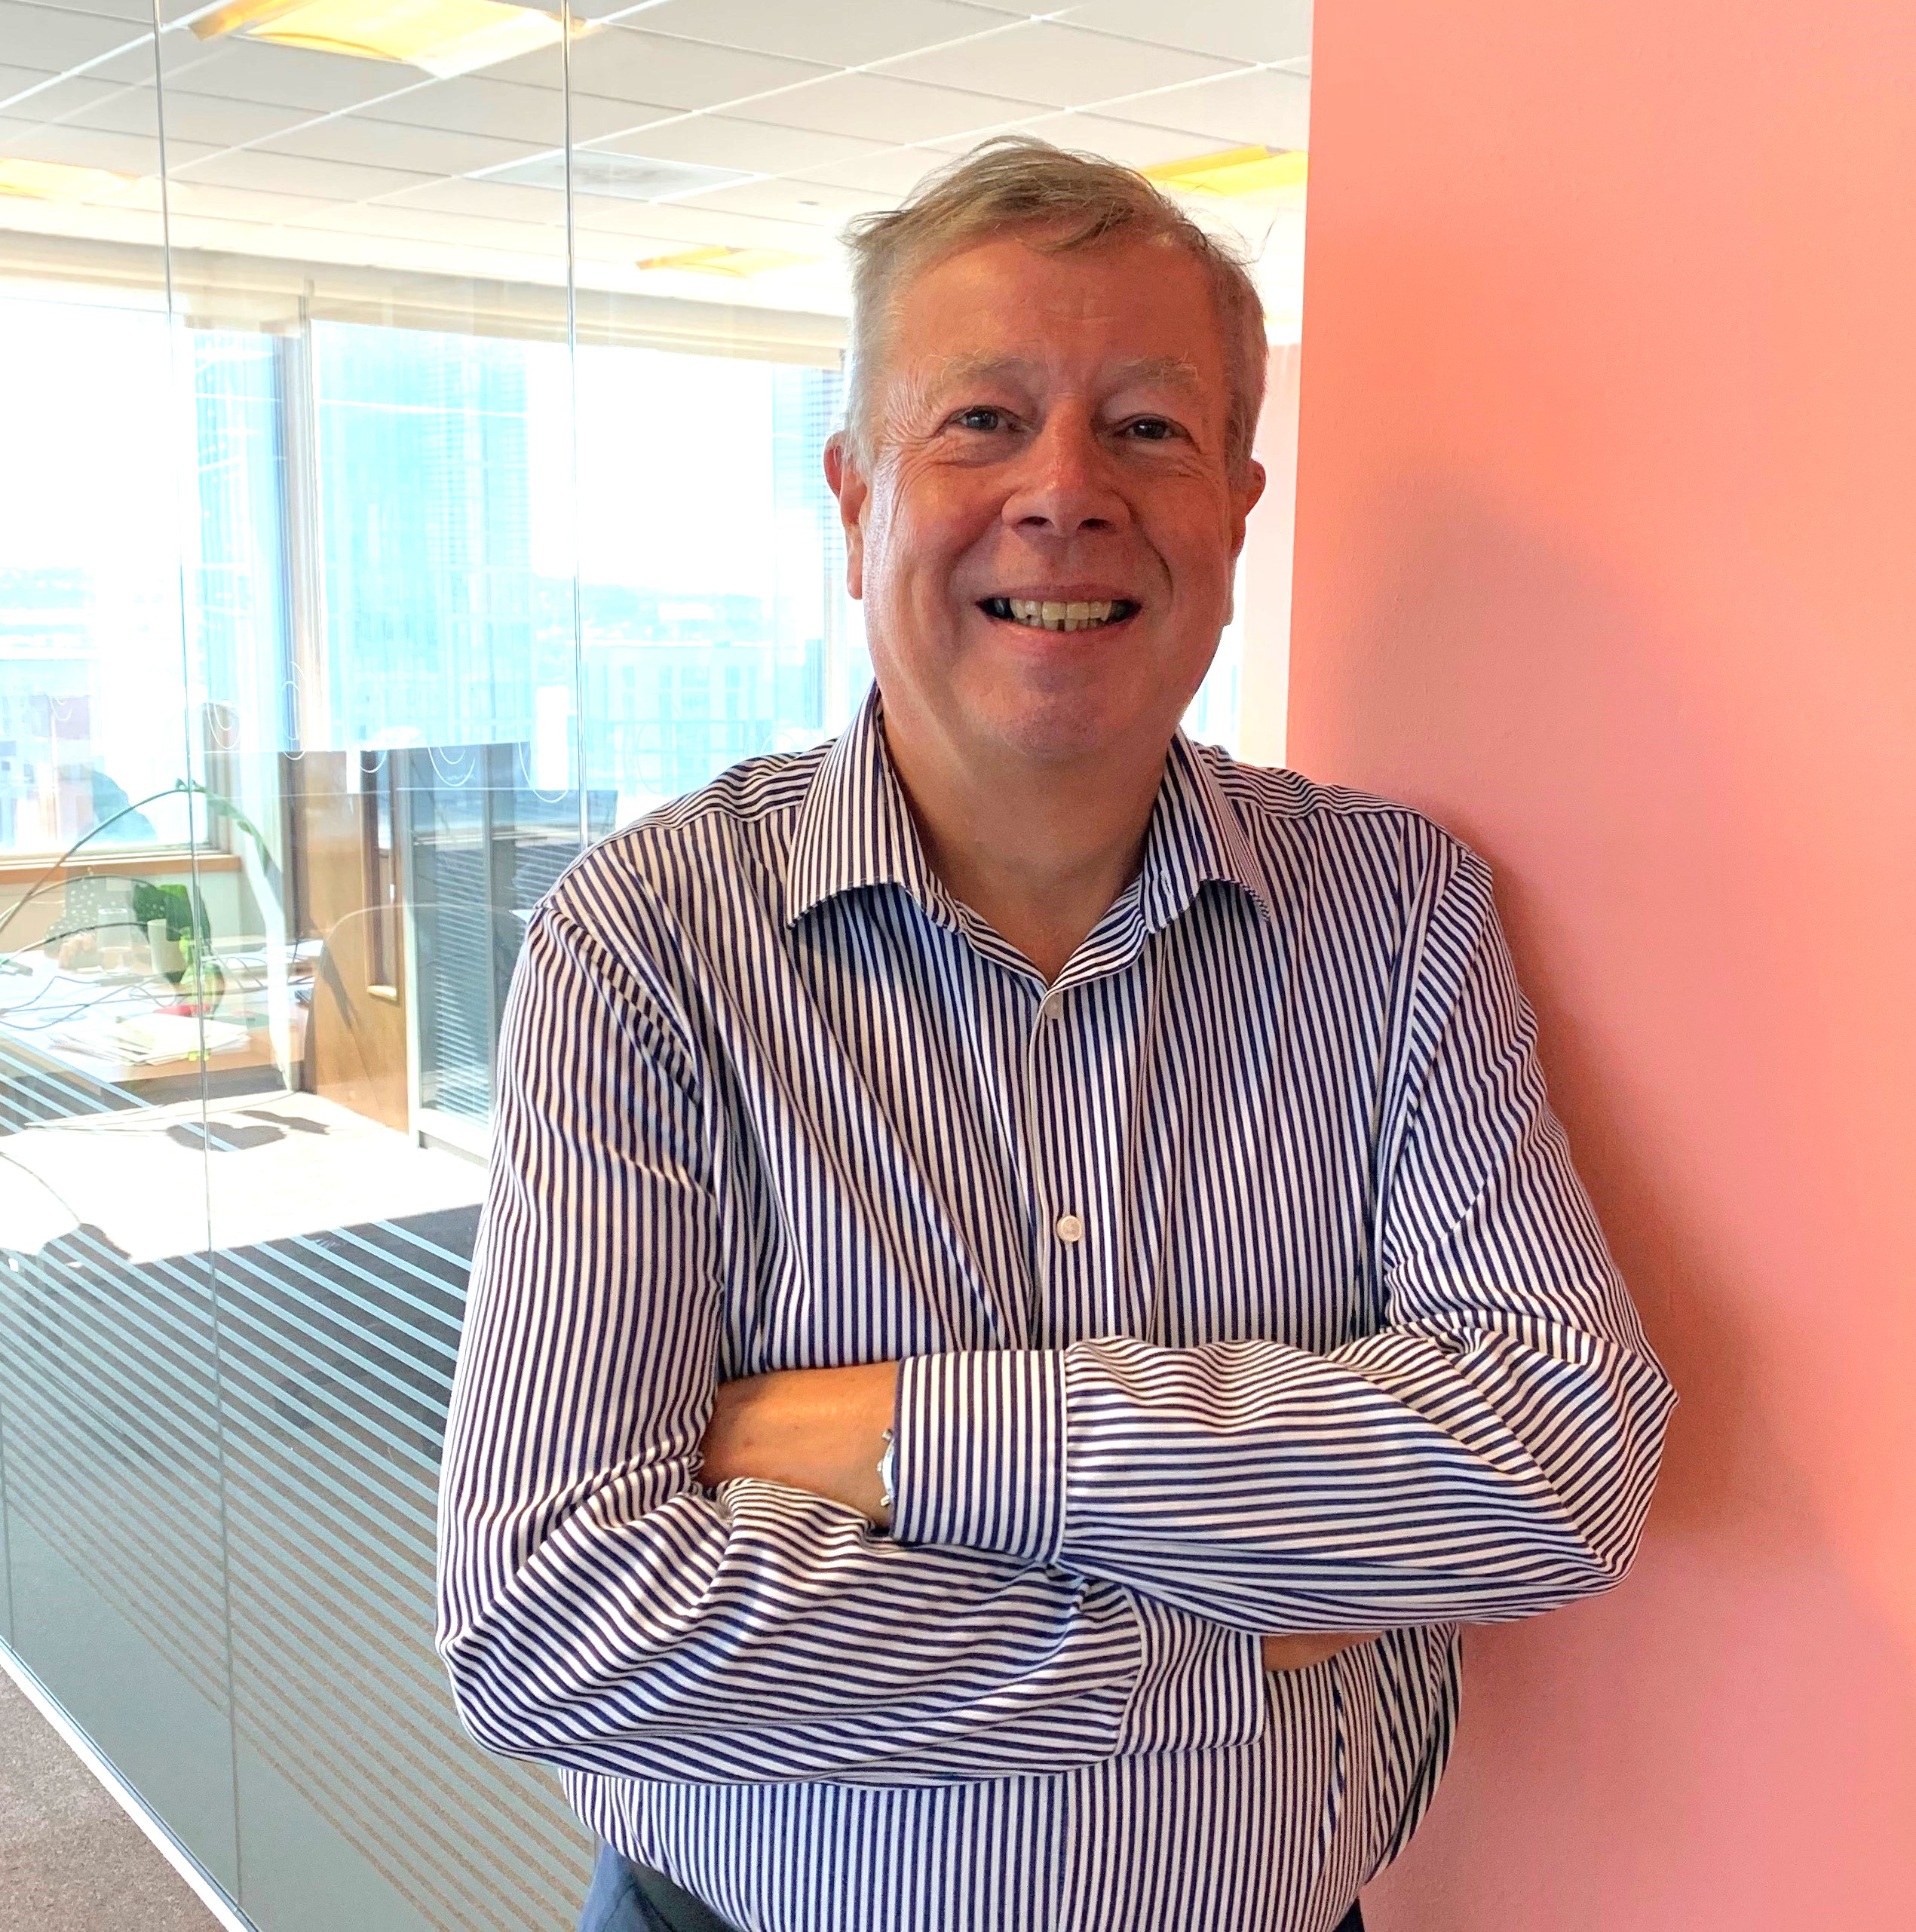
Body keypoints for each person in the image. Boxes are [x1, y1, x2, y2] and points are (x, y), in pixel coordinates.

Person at [434, 136, 1677, 1932]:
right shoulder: (651, 944)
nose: (1064, 491)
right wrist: (1221, 1635)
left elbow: (1555, 1459)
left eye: (1148, 428)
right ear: (854, 498)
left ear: (1236, 505)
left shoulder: (1398, 915)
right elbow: (549, 1624)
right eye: (982, 421)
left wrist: (895, 1439)